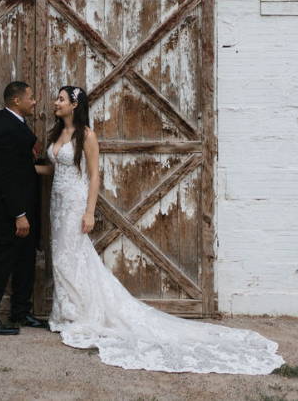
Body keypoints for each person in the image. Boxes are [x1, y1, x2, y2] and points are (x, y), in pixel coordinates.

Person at [35, 86, 285, 374]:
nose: (56, 102)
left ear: (75, 105)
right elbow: (56, 170)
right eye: (57, 99)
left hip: (76, 203)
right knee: (63, 257)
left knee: (72, 257)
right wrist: (26, 168)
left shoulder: (86, 136)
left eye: (61, 99)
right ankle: (67, 313)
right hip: (57, 202)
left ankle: (78, 314)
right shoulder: (57, 135)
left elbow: (93, 176)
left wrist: (90, 211)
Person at [0, 81, 48, 335]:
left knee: (25, 260)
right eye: (31, 97)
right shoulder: (6, 126)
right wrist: (19, 214)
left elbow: (17, 164)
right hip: (12, 208)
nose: (35, 101)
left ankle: (20, 311)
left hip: (25, 204)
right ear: (17, 101)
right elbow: (7, 175)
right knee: (3, 261)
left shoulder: (6, 121)